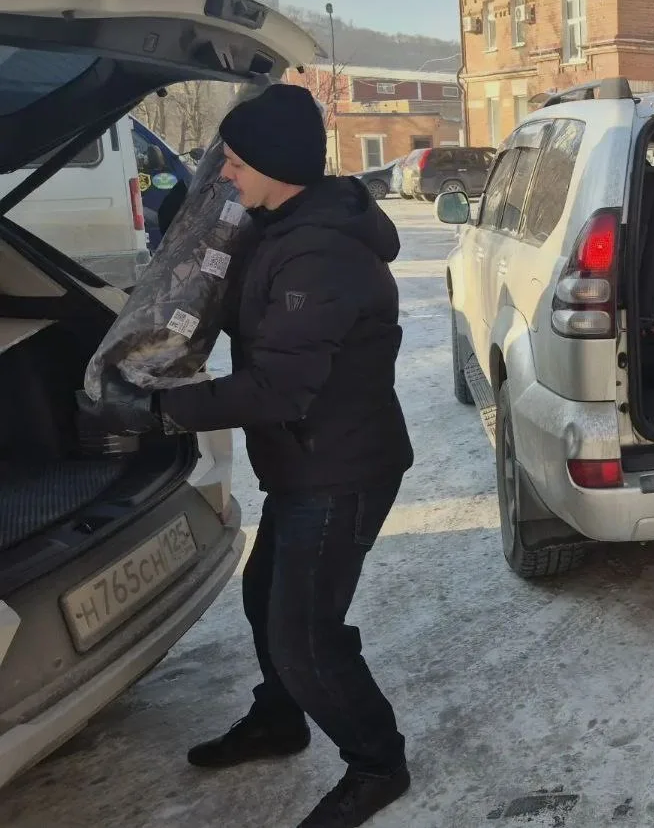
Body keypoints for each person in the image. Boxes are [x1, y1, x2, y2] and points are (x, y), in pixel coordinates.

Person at [86, 83, 414, 827]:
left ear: (277, 163)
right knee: (265, 598)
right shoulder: (280, 223)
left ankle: (377, 762)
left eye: (234, 162)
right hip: (306, 460)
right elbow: (234, 299)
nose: (225, 173)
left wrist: (160, 410)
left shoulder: (322, 255)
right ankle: (280, 718)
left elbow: (280, 388)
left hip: (341, 469)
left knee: (306, 634)